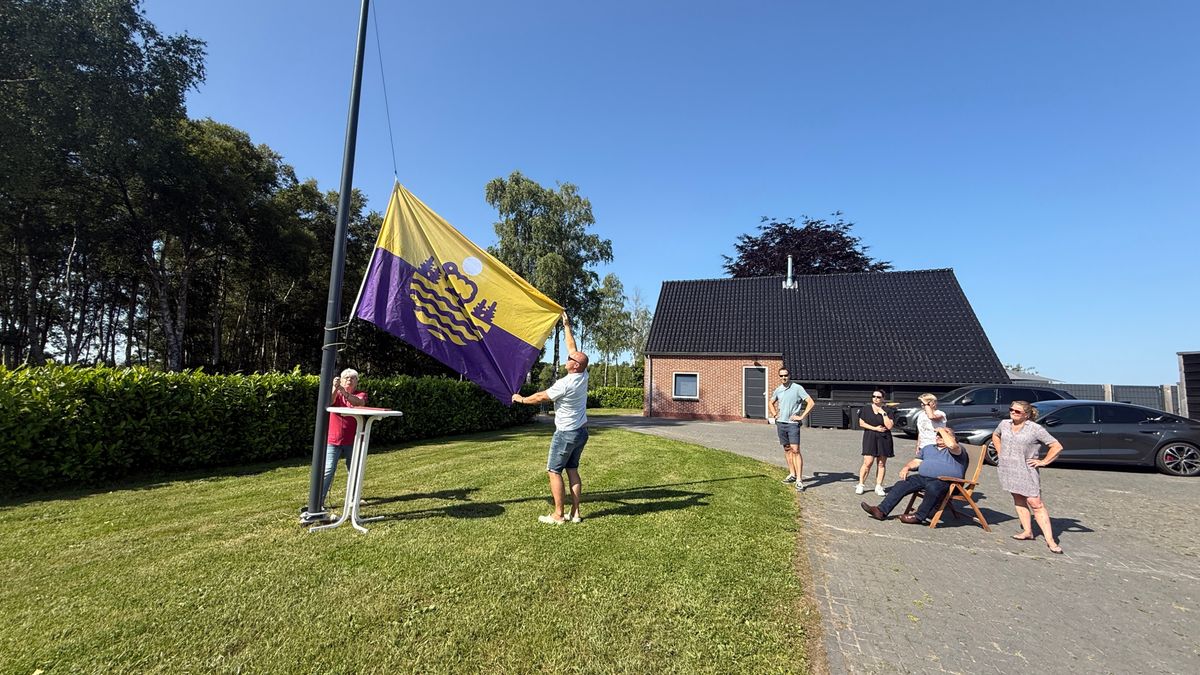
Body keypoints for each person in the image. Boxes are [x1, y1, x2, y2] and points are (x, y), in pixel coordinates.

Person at [513, 313, 589, 525]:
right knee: (572, 470)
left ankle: (558, 515)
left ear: (574, 366)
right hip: (582, 432)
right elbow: (572, 347)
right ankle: (575, 513)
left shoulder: (565, 384)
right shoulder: (583, 374)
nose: (568, 358)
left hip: (566, 434)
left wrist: (520, 399)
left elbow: (540, 397)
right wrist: (566, 325)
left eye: (570, 360)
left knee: (554, 471)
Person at [994, 400, 1066, 554]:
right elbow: (995, 435)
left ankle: (1051, 541)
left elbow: (1056, 445)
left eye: (1017, 411)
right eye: (1011, 409)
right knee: (1018, 498)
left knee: (1035, 503)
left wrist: (1044, 461)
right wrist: (1000, 453)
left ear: (1026, 415)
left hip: (1026, 469)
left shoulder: (1035, 429)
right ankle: (1027, 531)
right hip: (1008, 468)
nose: (1012, 412)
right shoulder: (1004, 424)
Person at [861, 426, 967, 524]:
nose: (939, 436)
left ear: (952, 437)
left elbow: (952, 444)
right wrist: (907, 467)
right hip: (923, 478)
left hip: (947, 482)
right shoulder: (929, 448)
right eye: (938, 434)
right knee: (901, 484)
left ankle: (919, 517)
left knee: (933, 487)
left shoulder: (957, 450)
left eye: (943, 435)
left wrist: (942, 430)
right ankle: (881, 511)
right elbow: (917, 462)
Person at [321, 368, 368, 510]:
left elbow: (359, 403)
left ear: (357, 381)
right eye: (346, 377)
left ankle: (354, 497)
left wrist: (343, 391)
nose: (349, 379)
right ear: (340, 380)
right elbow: (329, 401)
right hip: (333, 439)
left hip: (353, 440)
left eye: (352, 378)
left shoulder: (361, 394)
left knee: (354, 469)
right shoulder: (336, 393)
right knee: (328, 469)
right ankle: (319, 501)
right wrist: (336, 389)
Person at [768, 367, 815, 492]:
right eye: (781, 376)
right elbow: (770, 402)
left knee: (796, 450)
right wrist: (774, 414)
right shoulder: (778, 390)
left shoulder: (797, 388)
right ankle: (792, 474)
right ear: (779, 377)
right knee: (787, 449)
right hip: (781, 423)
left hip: (793, 424)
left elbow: (810, 402)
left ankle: (799, 480)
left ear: (789, 375)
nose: (784, 378)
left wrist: (801, 416)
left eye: (786, 375)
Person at [856, 389, 894, 496]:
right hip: (870, 436)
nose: (875, 399)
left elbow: (889, 426)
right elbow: (861, 423)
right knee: (868, 462)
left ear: (883, 398)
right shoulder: (866, 409)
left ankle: (878, 486)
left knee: (881, 463)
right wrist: (875, 428)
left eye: (878, 397)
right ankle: (861, 484)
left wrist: (883, 414)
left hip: (884, 438)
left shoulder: (888, 411)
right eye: (874, 396)